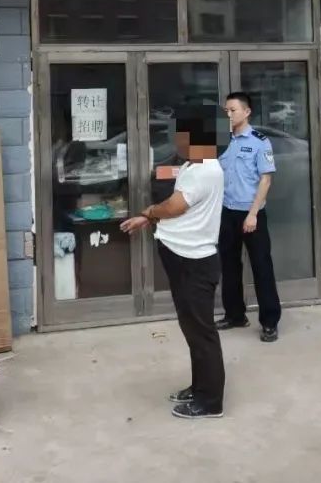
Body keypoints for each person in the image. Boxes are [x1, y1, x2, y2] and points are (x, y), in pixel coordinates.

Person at [120, 118, 225, 419]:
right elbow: (178, 205)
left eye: (181, 136)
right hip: (183, 257)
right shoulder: (194, 165)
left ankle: (210, 402)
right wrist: (149, 219)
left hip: (194, 261)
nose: (176, 142)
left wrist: (149, 211)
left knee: (201, 332)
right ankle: (199, 387)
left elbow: (176, 206)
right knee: (192, 329)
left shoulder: (205, 170)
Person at [217, 92, 282, 343]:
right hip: (227, 211)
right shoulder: (222, 141)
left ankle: (269, 322)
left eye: (233, 110)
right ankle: (235, 315)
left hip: (251, 213)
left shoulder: (259, 142)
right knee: (229, 266)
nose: (228, 114)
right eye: (226, 111)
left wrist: (253, 214)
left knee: (261, 267)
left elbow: (266, 180)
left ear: (246, 112)